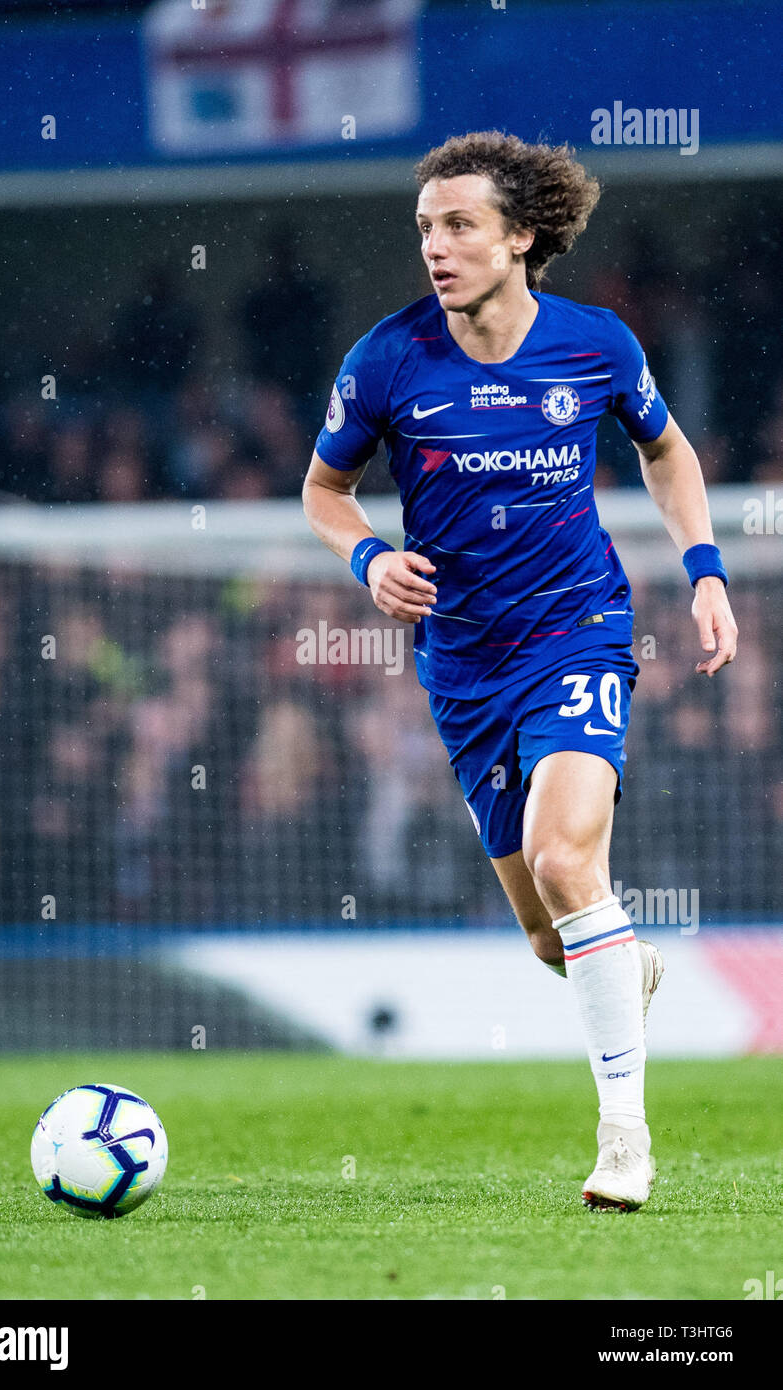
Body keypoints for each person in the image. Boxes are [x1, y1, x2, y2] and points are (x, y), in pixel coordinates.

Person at [302, 131, 738, 1211]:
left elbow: (666, 451)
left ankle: (624, 1140)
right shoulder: (386, 360)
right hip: (461, 665)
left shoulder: (592, 345)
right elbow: (323, 489)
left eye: (457, 226)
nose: (435, 248)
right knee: (552, 935)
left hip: (576, 632)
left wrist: (704, 571)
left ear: (519, 237)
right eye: (424, 229)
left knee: (560, 851)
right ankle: (617, 963)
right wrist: (366, 556)